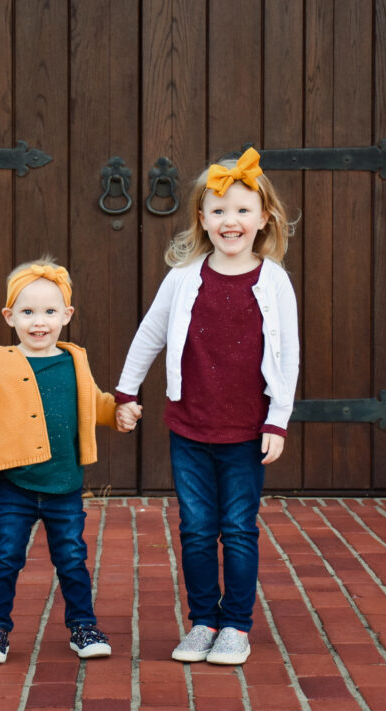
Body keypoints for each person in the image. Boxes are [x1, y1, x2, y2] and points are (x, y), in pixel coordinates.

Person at [115, 147, 299, 665]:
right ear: (202, 218)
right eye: (218, 211)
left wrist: (277, 421)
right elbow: (149, 335)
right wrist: (127, 392)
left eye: (242, 210)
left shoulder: (273, 280)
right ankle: (202, 621)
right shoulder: (184, 277)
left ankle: (236, 626)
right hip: (190, 427)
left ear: (263, 218)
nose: (230, 221)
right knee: (196, 528)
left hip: (245, 430)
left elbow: (288, 354)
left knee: (238, 528)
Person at [0, 258, 140, 664]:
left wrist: (118, 414)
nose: (39, 322)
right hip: (13, 485)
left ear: (66, 315)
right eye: (28, 312)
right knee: (5, 559)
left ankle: (82, 625)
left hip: (64, 485)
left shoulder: (75, 360)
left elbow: (93, 402)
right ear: (9, 316)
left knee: (72, 559)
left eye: (50, 312)